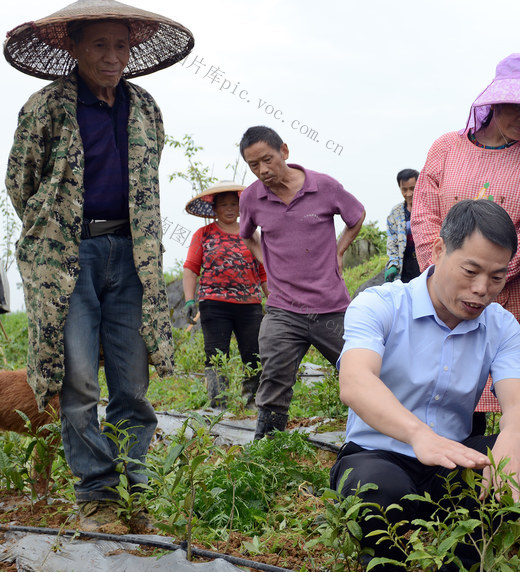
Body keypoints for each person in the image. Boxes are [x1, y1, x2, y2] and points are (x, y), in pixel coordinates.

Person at [4, 1, 194, 532]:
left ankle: (137, 485)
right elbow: (21, 183)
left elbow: (146, 180)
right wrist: (58, 232)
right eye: (100, 46)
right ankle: (96, 495)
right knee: (79, 379)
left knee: (132, 381)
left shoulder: (145, 107)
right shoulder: (46, 107)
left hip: (132, 253)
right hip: (70, 257)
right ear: (73, 47)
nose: (113, 58)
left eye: (122, 46)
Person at [331, 200, 520, 572]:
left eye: (497, 276)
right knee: (376, 486)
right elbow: (356, 383)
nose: (482, 289)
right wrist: (417, 435)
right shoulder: (381, 305)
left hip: (449, 462)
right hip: (379, 454)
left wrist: (512, 441)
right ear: (438, 251)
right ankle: (386, 567)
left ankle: (460, 565)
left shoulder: (500, 325)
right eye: (471, 271)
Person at [412, 54, 520, 441]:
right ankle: (460, 481)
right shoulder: (447, 148)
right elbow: (424, 216)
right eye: (514, 106)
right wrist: (444, 276)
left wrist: (493, 271)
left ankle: (519, 477)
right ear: (493, 103)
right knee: (457, 397)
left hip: (517, 297)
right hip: (449, 297)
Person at [238, 126, 366, 439]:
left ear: (284, 150)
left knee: (360, 370)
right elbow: (246, 235)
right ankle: (266, 454)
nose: (263, 170)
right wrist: (266, 262)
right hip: (283, 310)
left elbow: (356, 215)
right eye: (254, 165)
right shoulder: (252, 197)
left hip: (330, 306)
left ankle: (373, 440)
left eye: (267, 160)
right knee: (274, 380)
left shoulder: (323, 186)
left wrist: (338, 252)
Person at [182, 182, 268, 409]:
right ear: (215, 209)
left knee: (254, 353)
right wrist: (190, 300)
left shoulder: (251, 234)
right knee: (216, 354)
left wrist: (273, 299)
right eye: (224, 205)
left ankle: (252, 401)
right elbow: (191, 268)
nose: (229, 209)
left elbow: (263, 271)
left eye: (234, 204)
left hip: (249, 305)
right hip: (214, 304)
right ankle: (218, 404)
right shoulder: (204, 234)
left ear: (241, 207)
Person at [385, 169, 420, 283]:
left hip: (423, 262)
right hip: (405, 264)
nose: (408, 194)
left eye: (412, 188)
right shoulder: (395, 213)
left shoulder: (427, 208)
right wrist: (393, 265)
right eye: (404, 189)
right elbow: (392, 242)